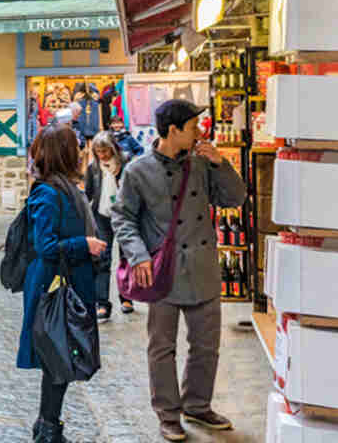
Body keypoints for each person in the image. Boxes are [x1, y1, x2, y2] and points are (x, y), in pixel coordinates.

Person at [111, 99, 246, 442]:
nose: (199, 132)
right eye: (193, 126)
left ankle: (198, 405)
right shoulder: (137, 171)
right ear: (174, 130)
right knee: (162, 347)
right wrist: (138, 255)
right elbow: (122, 217)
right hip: (162, 272)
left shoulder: (202, 165)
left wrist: (221, 164)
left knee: (206, 345)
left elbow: (235, 198)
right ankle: (168, 414)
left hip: (202, 268)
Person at [17, 125, 106, 443]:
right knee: (58, 357)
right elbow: (45, 247)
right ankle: (48, 430)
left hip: (69, 281)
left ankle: (46, 426)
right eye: (76, 146)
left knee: (60, 358)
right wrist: (85, 244)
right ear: (65, 153)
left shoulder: (66, 187)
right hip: (53, 286)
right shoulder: (48, 192)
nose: (82, 150)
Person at [85, 131, 131, 319]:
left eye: (105, 151)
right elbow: (88, 193)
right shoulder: (93, 167)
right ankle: (102, 302)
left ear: (113, 149)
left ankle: (127, 298)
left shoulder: (126, 163)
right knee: (102, 260)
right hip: (101, 216)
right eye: (98, 152)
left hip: (124, 216)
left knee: (126, 258)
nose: (102, 155)